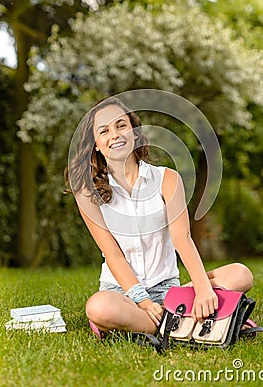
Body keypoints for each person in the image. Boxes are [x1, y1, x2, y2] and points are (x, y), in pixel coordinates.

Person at [66, 96, 253, 338]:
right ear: (96, 146)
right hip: (122, 293)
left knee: (240, 273)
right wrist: (142, 301)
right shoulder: (88, 194)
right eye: (104, 131)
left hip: (169, 291)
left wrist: (203, 288)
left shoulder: (168, 179)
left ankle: (153, 323)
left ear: (134, 132)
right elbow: (113, 255)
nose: (114, 134)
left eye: (121, 125)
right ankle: (179, 322)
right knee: (98, 307)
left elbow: (182, 238)